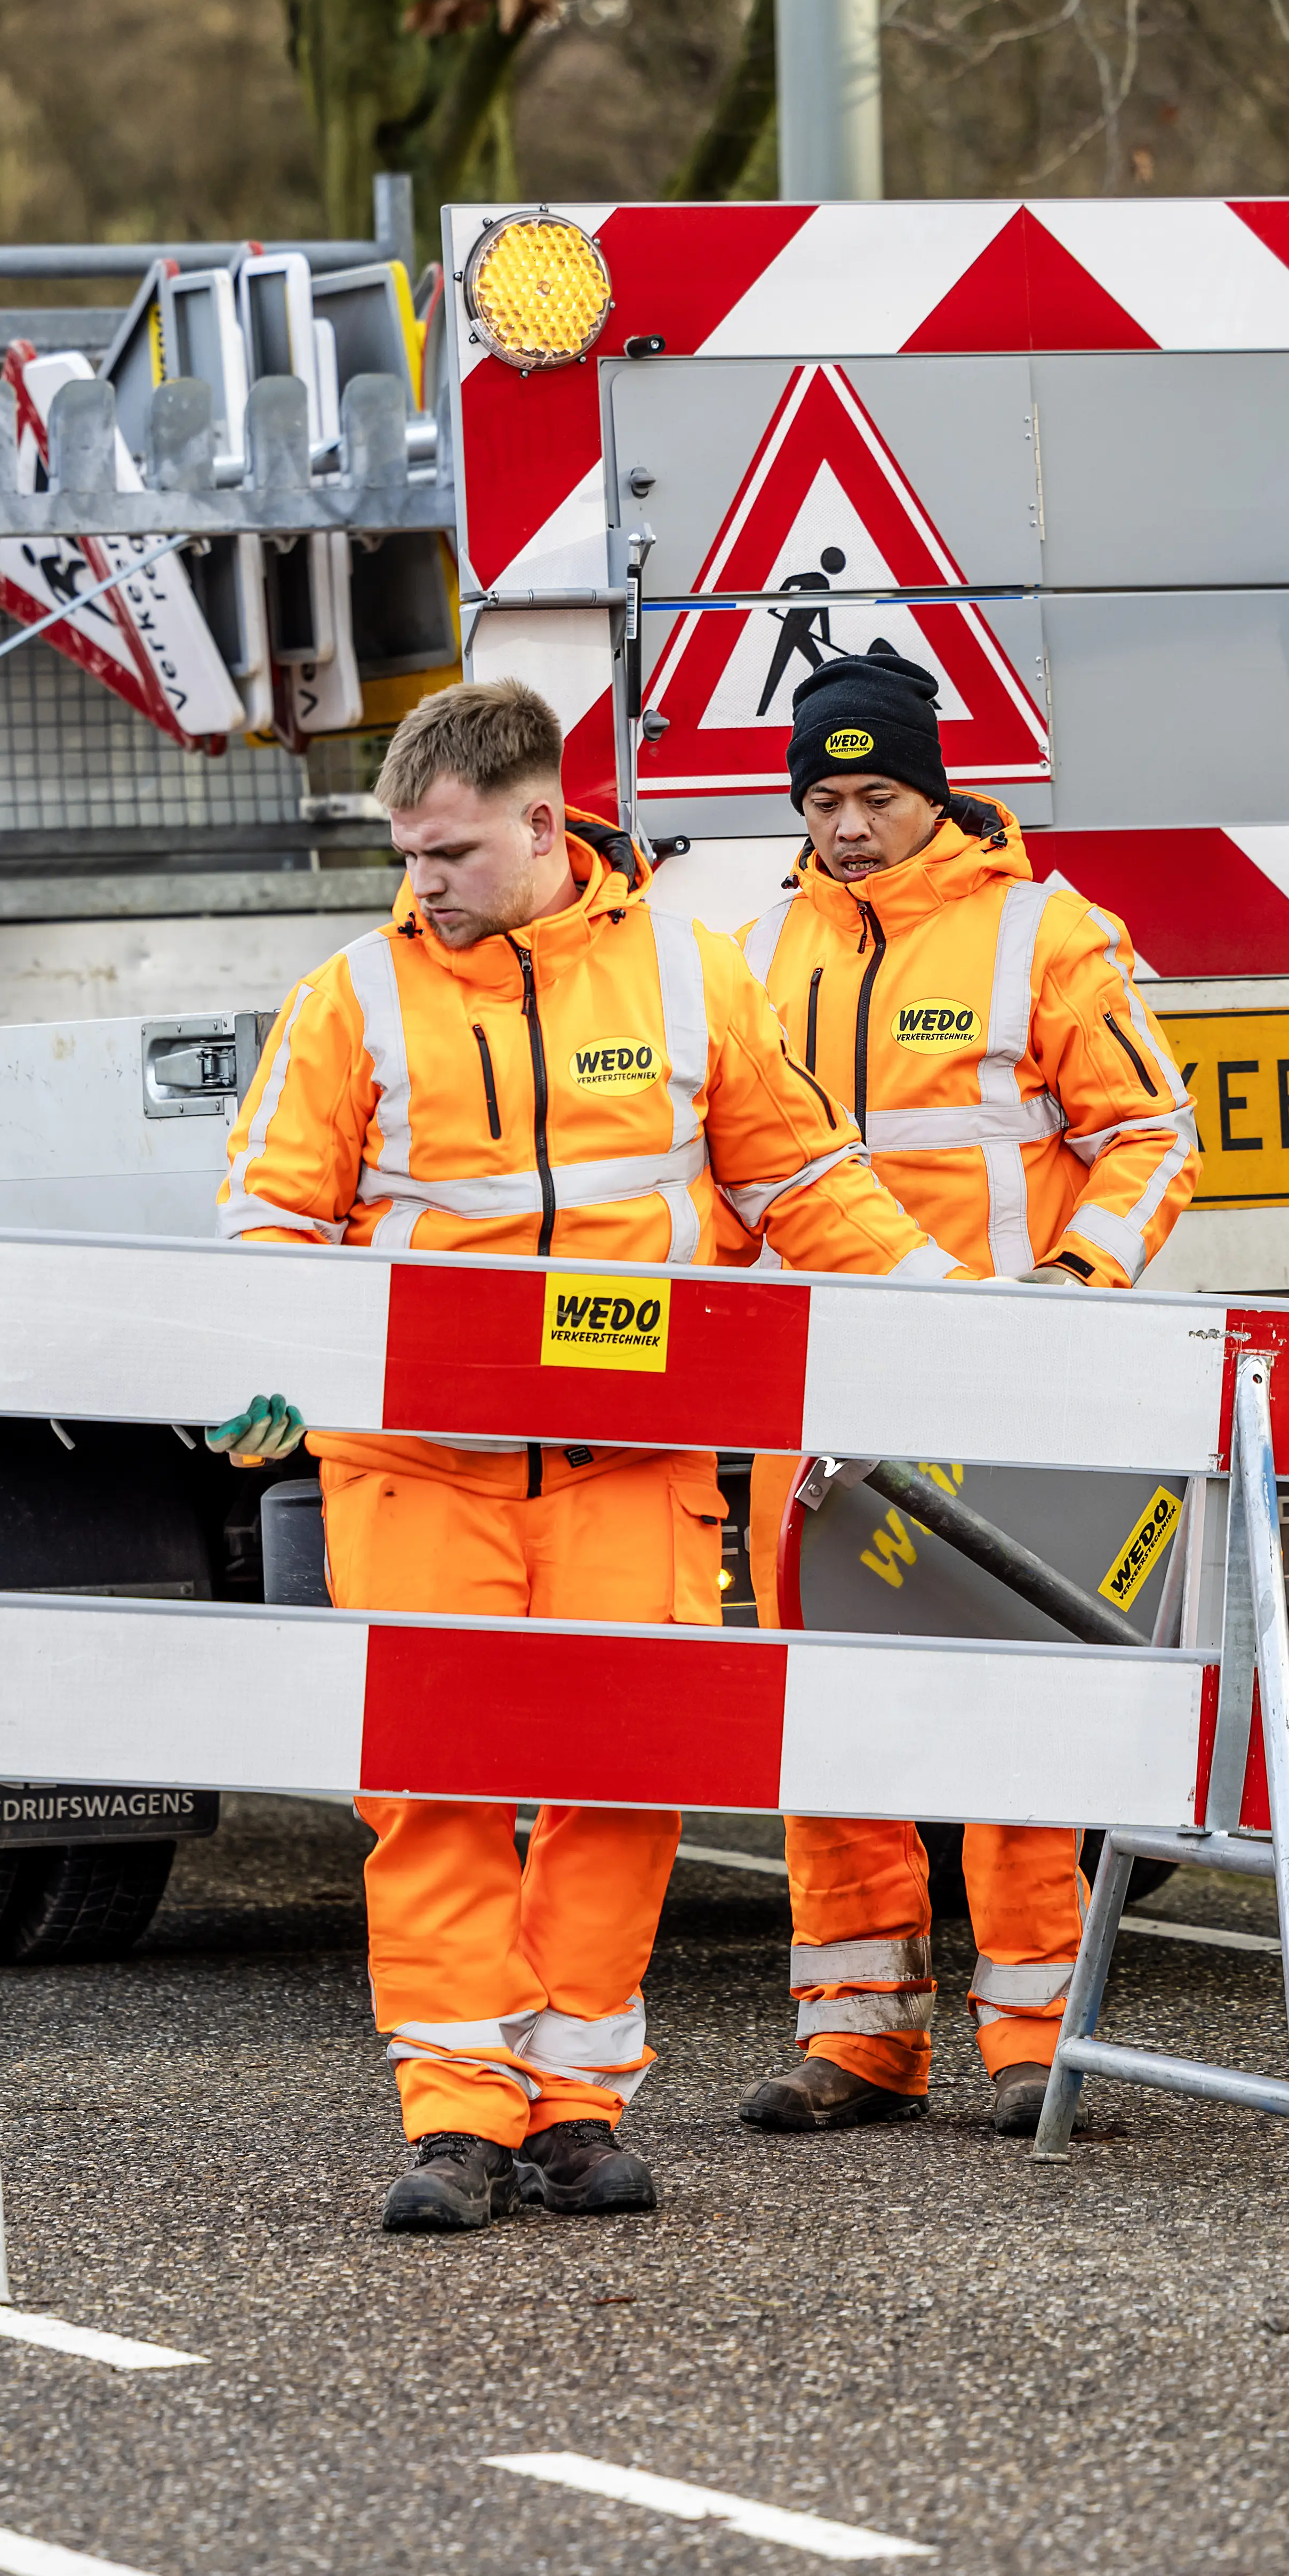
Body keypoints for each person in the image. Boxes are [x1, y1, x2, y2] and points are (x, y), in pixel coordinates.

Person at [206, 677, 962, 2234]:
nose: (421, 884)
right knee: (435, 1790)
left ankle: (574, 2105)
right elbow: (269, 1220)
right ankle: (456, 2114)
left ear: (545, 823)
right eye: (408, 855)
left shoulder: (689, 978)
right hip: (416, 1463)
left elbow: (801, 1177)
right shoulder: (350, 996)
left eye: (450, 853)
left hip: (634, 1462)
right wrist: (247, 1364)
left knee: (622, 1782)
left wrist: (948, 1330)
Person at [729, 648, 1200, 2142]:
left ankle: (1035, 2041)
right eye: (821, 797)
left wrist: (1077, 1283)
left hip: (1002, 1392)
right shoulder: (757, 951)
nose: (846, 825)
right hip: (816, 1394)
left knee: (1013, 1716)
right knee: (832, 1717)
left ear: (930, 792)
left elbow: (1154, 1135)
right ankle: (856, 2042)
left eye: (872, 795)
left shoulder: (1047, 935)